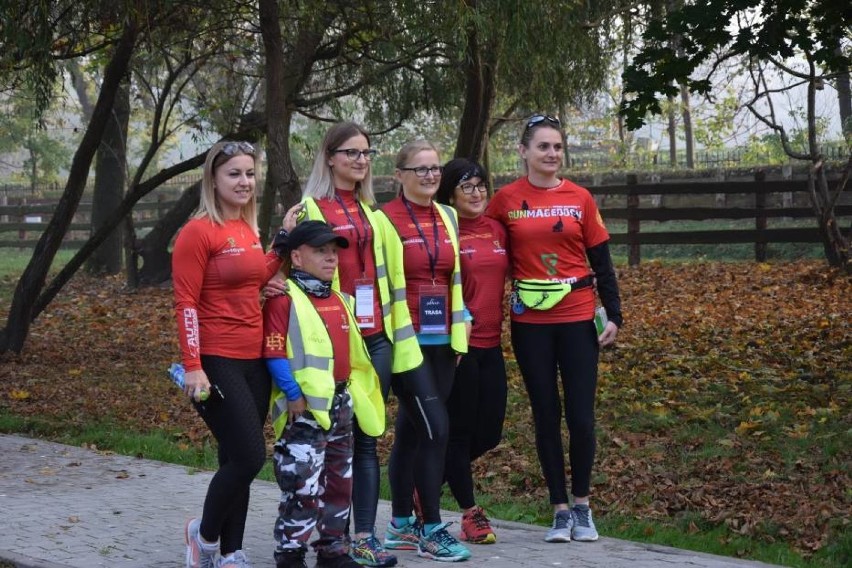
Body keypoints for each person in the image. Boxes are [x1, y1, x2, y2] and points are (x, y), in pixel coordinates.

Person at [285, 121, 423, 568]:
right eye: (351, 153)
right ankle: (332, 540)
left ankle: (363, 537)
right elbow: (289, 270)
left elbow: (393, 281)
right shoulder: (309, 208)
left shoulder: (374, 214)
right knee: (329, 445)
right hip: (333, 343)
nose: (360, 161)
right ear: (330, 157)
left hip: (376, 341)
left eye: (366, 153)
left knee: (367, 440)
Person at [485, 115, 623, 544]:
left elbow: (602, 261)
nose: (551, 154)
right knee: (546, 415)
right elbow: (486, 258)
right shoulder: (504, 200)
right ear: (523, 152)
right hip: (530, 325)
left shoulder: (580, 198)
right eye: (543, 147)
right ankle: (559, 510)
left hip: (579, 319)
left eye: (557, 147)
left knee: (581, 418)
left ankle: (583, 505)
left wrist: (614, 314)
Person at [172, 140, 283, 568]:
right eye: (234, 173)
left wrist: (276, 257)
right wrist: (193, 365)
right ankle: (204, 536)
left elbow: (249, 276)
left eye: (250, 173)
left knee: (235, 457)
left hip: (255, 357)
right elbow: (186, 303)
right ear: (213, 180)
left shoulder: (246, 229)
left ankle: (231, 552)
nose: (244, 181)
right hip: (216, 358)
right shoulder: (198, 231)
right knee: (251, 456)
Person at [263, 221, 386, 568]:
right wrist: (292, 394)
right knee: (302, 486)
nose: (331, 258)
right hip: (304, 409)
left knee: (339, 484)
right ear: (297, 257)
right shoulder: (284, 299)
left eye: (334, 251)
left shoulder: (340, 299)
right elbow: (273, 353)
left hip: (341, 406)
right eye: (321, 251)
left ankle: (333, 552)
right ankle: (290, 554)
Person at [380, 140, 471, 562]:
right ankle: (432, 527)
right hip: (405, 340)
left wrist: (461, 320)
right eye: (421, 169)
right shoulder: (384, 220)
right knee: (437, 428)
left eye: (435, 168)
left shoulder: (448, 215)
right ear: (399, 175)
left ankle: (400, 526)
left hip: (443, 339)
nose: (431, 176)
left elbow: (453, 276)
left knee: (413, 432)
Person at [435, 158, 510, 545]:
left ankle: (424, 486)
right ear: (450, 192)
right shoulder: (444, 231)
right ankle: (469, 514)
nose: (477, 193)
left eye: (481, 185)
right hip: (460, 348)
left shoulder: (498, 229)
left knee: (490, 432)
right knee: (460, 433)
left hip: (492, 344)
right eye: (467, 187)